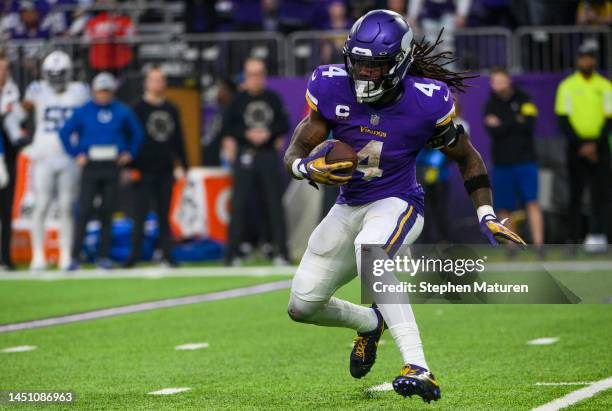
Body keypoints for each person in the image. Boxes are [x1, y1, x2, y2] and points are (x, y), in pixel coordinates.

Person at [284, 10, 525, 402]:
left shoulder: (426, 102)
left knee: (370, 254)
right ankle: (369, 322)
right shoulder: (330, 86)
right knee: (302, 305)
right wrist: (303, 166)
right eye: (357, 63)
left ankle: (419, 366)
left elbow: (468, 157)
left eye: (373, 67)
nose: (362, 74)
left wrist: (486, 213)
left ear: (398, 64)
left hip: (397, 201)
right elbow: (297, 146)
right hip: (349, 204)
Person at [5, 50, 89, 271]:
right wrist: (18, 138)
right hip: (43, 155)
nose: (56, 78)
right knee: (41, 205)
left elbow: (89, 120)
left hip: (69, 157)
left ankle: (65, 255)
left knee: (66, 207)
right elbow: (16, 116)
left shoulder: (79, 91)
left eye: (60, 73)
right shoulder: (37, 90)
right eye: (52, 74)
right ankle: (38, 256)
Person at [59, 72, 144, 270]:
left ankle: (103, 256)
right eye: (100, 91)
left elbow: (137, 133)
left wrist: (129, 153)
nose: (103, 95)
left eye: (107, 91)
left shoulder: (122, 111)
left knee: (108, 211)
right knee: (84, 210)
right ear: (94, 92)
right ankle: (74, 257)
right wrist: (76, 153)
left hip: (111, 165)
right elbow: (65, 132)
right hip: (91, 165)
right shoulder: (83, 111)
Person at [221, 58, 290, 266]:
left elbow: (283, 123)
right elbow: (228, 127)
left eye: (259, 74)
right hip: (245, 154)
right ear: (245, 76)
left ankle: (281, 252)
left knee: (274, 204)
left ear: (264, 76)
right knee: (239, 204)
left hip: (267, 154)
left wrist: (268, 133)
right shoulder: (237, 100)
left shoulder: (273, 98)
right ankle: (231, 254)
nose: (255, 78)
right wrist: (246, 133)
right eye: (251, 74)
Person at [125, 68, 188, 268]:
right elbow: (130, 138)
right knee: (140, 215)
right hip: (143, 169)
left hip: (165, 168)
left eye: (160, 80)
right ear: (146, 83)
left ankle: (167, 255)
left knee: (164, 214)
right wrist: (129, 165)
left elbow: (178, 138)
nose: (157, 84)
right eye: (153, 80)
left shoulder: (171, 108)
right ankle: (133, 256)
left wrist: (183, 163)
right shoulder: (136, 108)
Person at [555, 42, 612, 250]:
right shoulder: (568, 86)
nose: (586, 61)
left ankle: (604, 237)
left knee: (603, 194)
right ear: (578, 60)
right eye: (583, 57)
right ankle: (574, 239)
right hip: (576, 146)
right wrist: (582, 145)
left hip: (600, 147)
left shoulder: (605, 86)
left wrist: (594, 145)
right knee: (575, 195)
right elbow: (563, 119)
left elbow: (609, 119)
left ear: (594, 60)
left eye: (590, 57)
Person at [483, 67, 544, 248]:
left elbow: (529, 124)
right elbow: (494, 131)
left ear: (509, 80)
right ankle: (512, 247)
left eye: (500, 80)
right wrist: (516, 120)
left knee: (532, 202)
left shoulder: (524, 98)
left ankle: (539, 245)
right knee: (504, 207)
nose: (498, 84)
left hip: (526, 161)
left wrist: (504, 124)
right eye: (494, 81)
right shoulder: (489, 105)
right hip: (502, 163)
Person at [0, 55, 21, 271]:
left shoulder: (14, 93)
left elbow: (21, 121)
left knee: (6, 210)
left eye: (5, 68)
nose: (2, 73)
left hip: (8, 157)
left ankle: (6, 257)